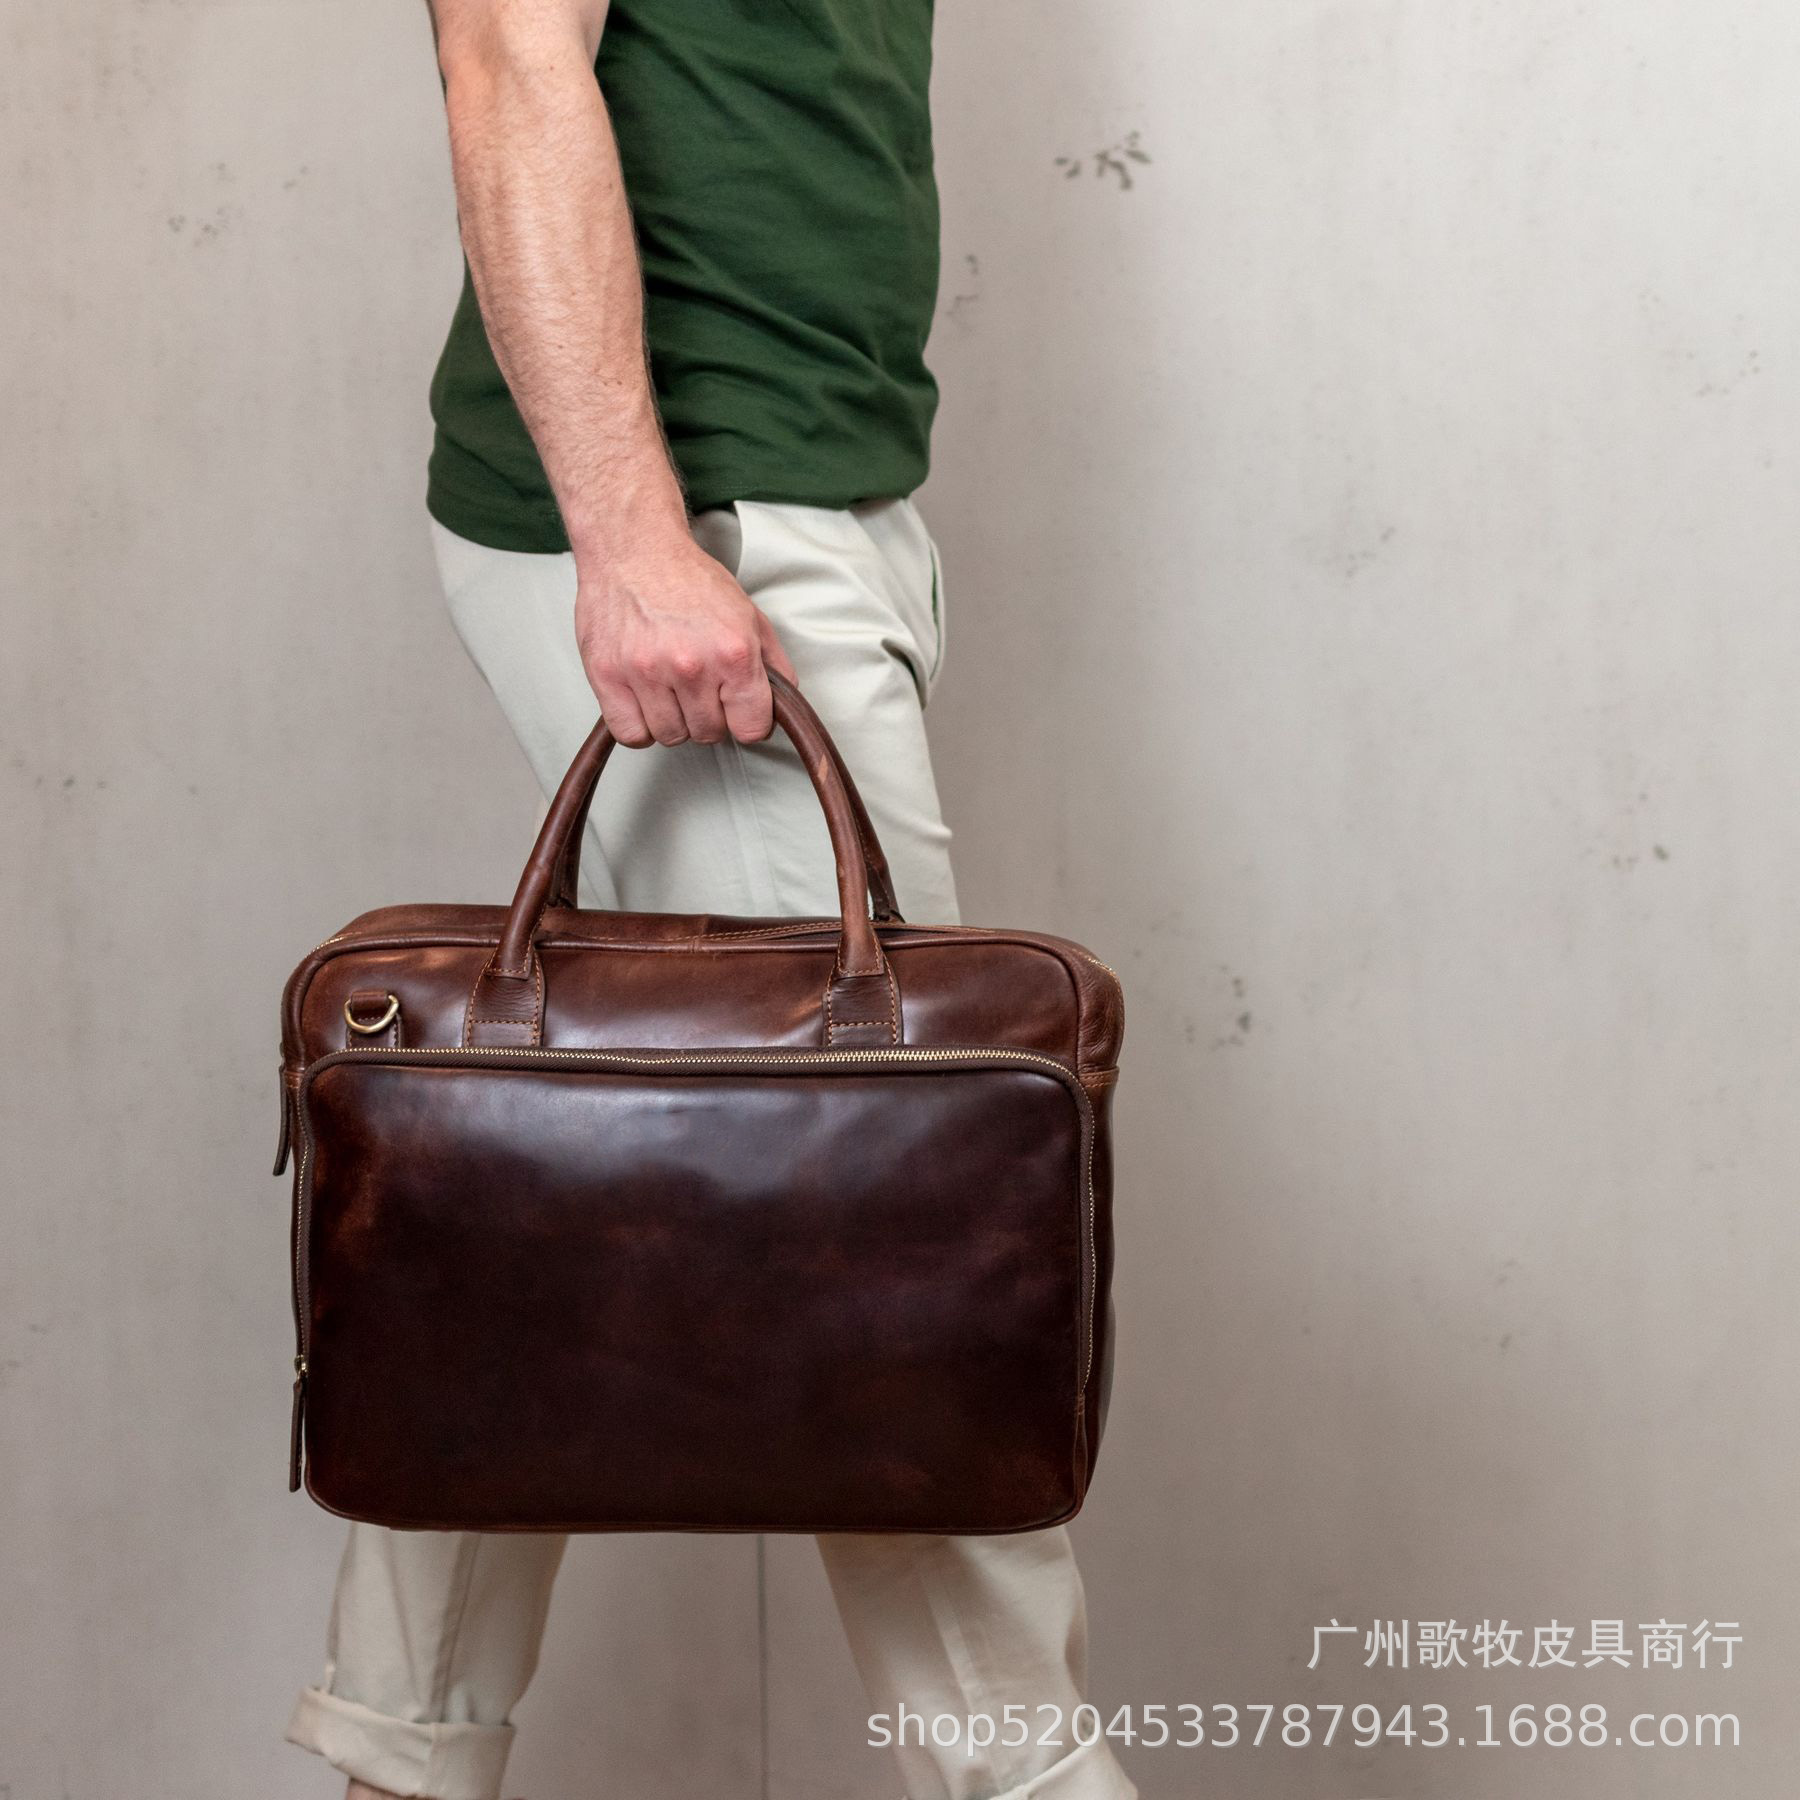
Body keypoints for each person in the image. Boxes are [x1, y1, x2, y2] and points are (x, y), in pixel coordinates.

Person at [285, 2, 1136, 1797]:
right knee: (894, 1211)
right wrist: (633, 540)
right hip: (705, 509)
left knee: (545, 1200)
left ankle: (393, 1756)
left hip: (805, 486)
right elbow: (510, 56)